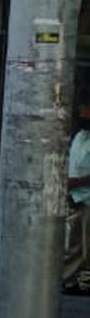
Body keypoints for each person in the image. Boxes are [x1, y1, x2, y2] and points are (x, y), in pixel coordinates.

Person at [66, 101, 90, 293]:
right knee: (75, 243)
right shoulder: (80, 137)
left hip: (86, 195)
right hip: (77, 196)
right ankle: (69, 278)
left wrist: (78, 181)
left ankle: (85, 283)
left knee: (87, 245)